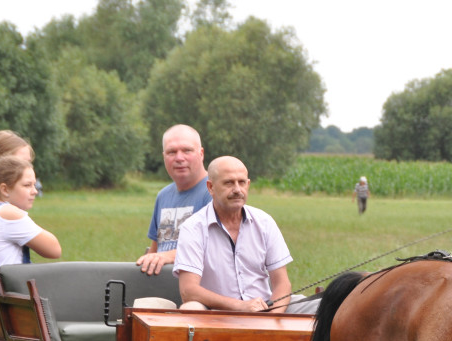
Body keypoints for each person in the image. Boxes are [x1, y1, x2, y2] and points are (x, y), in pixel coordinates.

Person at [173, 156, 317, 314]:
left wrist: (273, 317)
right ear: (211, 187)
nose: (237, 190)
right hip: (216, 313)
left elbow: (282, 284)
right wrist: (240, 306)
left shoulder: (264, 222)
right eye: (228, 183)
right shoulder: (193, 228)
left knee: (323, 307)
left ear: (248, 185)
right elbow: (189, 291)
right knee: (191, 309)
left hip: (266, 307)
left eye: (241, 182)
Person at [0, 157, 61, 326]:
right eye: (27, 185)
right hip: (6, 307)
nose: (34, 191)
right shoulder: (9, 214)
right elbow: (54, 250)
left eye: (34, 184)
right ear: (5, 189)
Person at [136, 124, 210, 275]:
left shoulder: (214, 192)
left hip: (199, 291)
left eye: (187, 150)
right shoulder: (163, 196)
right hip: (161, 286)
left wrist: (168, 256)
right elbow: (155, 249)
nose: (179, 158)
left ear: (201, 153)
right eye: (172, 152)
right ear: (164, 157)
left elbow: (215, 249)